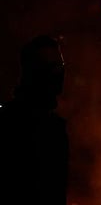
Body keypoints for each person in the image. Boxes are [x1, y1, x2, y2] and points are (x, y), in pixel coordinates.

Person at [0, 35, 69, 204]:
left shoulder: (54, 124)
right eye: (53, 67)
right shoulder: (12, 123)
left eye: (61, 66)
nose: (60, 73)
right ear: (35, 72)